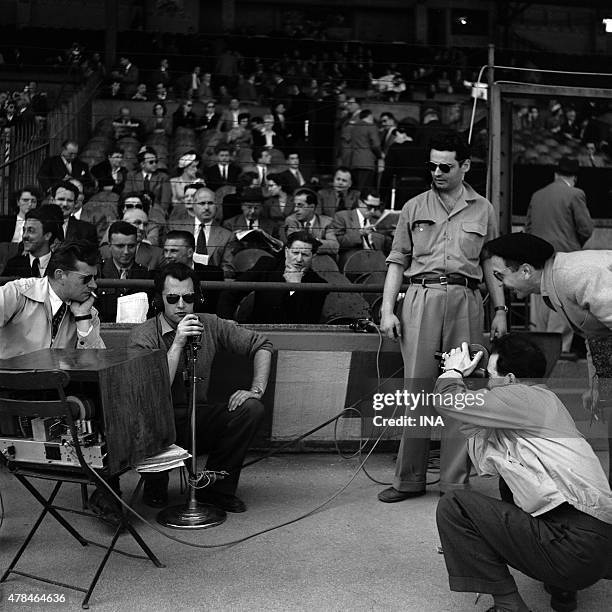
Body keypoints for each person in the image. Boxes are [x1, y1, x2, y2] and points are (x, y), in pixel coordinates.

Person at [435, 335, 612, 612]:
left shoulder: (520, 397)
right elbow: (488, 462)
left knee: (455, 507)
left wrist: (452, 372)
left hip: (573, 546)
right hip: (597, 547)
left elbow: (449, 402)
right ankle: (563, 587)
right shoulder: (543, 400)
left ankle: (509, 606)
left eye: (490, 376)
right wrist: (472, 379)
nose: (487, 383)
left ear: (511, 378)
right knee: (513, 479)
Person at [377, 132, 506, 503]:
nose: (436, 172)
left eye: (445, 166)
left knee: (462, 394)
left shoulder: (484, 209)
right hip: (421, 298)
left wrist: (499, 310)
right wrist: (388, 311)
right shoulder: (414, 206)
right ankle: (408, 480)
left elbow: (490, 263)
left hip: (467, 299)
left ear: (465, 166)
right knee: (416, 390)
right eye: (431, 165)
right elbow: (397, 261)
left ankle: (454, 485)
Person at [128, 263, 272, 512]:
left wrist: (256, 389)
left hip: (197, 414)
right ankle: (155, 482)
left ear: (199, 297)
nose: (181, 305)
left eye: (189, 297)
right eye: (172, 298)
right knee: (146, 420)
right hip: (158, 418)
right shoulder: (143, 335)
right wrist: (177, 343)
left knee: (251, 409)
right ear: (159, 300)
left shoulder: (210, 323)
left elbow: (262, 344)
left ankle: (216, 490)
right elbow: (154, 389)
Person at [483, 232, 612, 486]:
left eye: (500, 276)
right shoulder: (554, 286)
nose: (500, 284)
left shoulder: (577, 275)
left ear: (526, 271)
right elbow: (595, 335)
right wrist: (598, 387)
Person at [524, 157, 593, 356]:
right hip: (563, 258)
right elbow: (586, 228)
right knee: (561, 305)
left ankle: (539, 348)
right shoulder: (575, 193)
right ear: (575, 178)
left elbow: (528, 228)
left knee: (540, 305)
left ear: (556, 174)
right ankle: (558, 350)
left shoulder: (537, 195)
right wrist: (574, 244)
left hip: (537, 259)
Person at [0, 240, 104, 359]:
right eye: (86, 279)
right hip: (10, 375)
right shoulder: (18, 292)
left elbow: (95, 363)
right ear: (60, 275)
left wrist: (82, 318)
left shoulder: (88, 312)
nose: (93, 285)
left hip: (57, 377)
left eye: (95, 278)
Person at [217, 230, 328, 324]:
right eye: (295, 253)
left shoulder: (319, 284)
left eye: (304, 255)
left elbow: (307, 322)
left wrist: (295, 288)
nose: (299, 259)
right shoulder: (267, 265)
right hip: (259, 332)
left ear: (313, 256)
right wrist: (226, 322)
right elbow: (230, 292)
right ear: (286, 252)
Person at [96, 221, 151, 322]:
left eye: (131, 246)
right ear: (109, 246)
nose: (126, 251)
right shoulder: (98, 273)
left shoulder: (146, 275)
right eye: (120, 246)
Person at [3, 207, 62, 278]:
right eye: (24, 230)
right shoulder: (13, 265)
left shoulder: (62, 265)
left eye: (31, 231)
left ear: (47, 235)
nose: (24, 236)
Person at [281, 188, 338, 258]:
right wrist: (316, 242)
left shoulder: (327, 222)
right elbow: (296, 245)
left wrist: (311, 241)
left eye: (300, 205)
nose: (295, 209)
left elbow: (334, 247)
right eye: (295, 205)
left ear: (311, 207)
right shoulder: (291, 220)